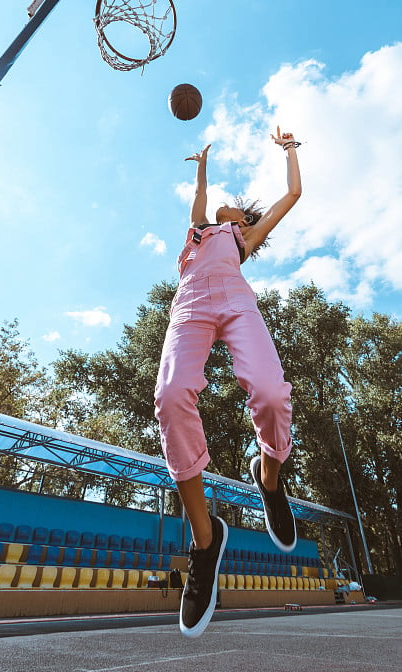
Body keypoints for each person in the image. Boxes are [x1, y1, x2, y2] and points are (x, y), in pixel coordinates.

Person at [154, 127, 302, 637]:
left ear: (244, 223)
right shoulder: (197, 232)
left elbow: (293, 195)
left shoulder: (243, 239)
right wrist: (200, 167)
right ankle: (205, 540)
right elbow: (199, 198)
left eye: (236, 209)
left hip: (235, 301)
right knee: (171, 397)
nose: (225, 208)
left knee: (270, 391)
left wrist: (289, 151)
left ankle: (270, 477)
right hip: (191, 304)